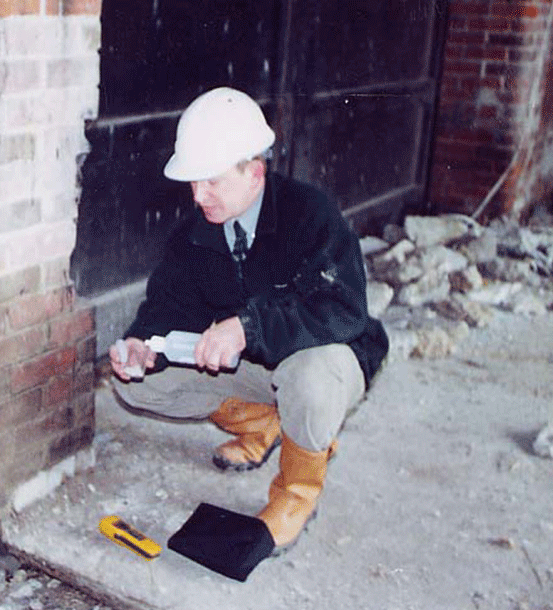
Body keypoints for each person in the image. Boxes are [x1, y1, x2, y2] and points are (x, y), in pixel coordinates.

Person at [109, 87, 388, 552]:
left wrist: (247, 327)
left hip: (324, 358)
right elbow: (167, 306)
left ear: (254, 174)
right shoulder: (195, 234)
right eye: (194, 182)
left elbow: (341, 311)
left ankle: (296, 494)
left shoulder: (309, 213)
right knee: (134, 383)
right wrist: (142, 344)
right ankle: (267, 423)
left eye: (212, 182)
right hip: (259, 371)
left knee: (311, 381)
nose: (199, 196)